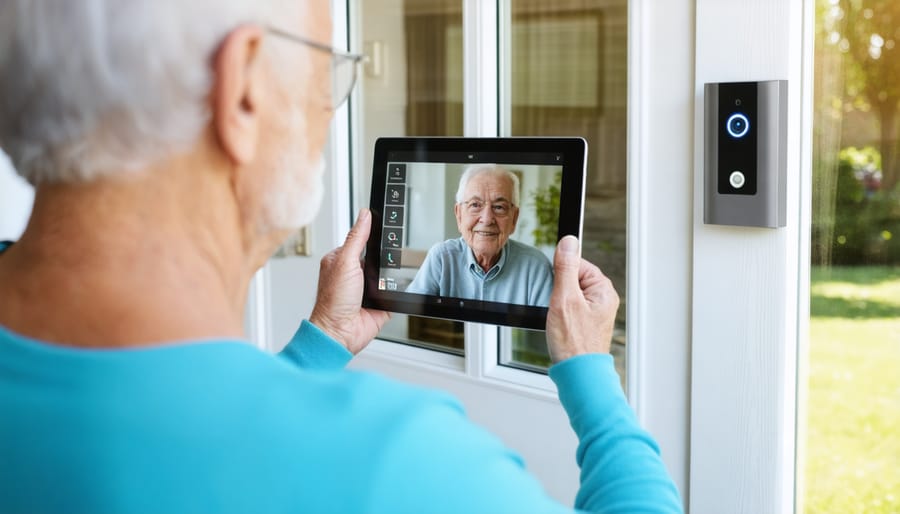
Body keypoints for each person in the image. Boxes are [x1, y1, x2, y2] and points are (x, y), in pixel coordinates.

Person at [0, 1, 682, 513]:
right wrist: (593, 376)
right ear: (243, 90)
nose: (330, 110)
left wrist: (317, 348)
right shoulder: (405, 467)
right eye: (329, 70)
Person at [406, 164, 554, 306]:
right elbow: (411, 314)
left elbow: (545, 331)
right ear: (459, 215)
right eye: (475, 205)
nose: (487, 219)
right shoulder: (441, 258)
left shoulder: (536, 268)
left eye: (499, 207)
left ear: (514, 218)